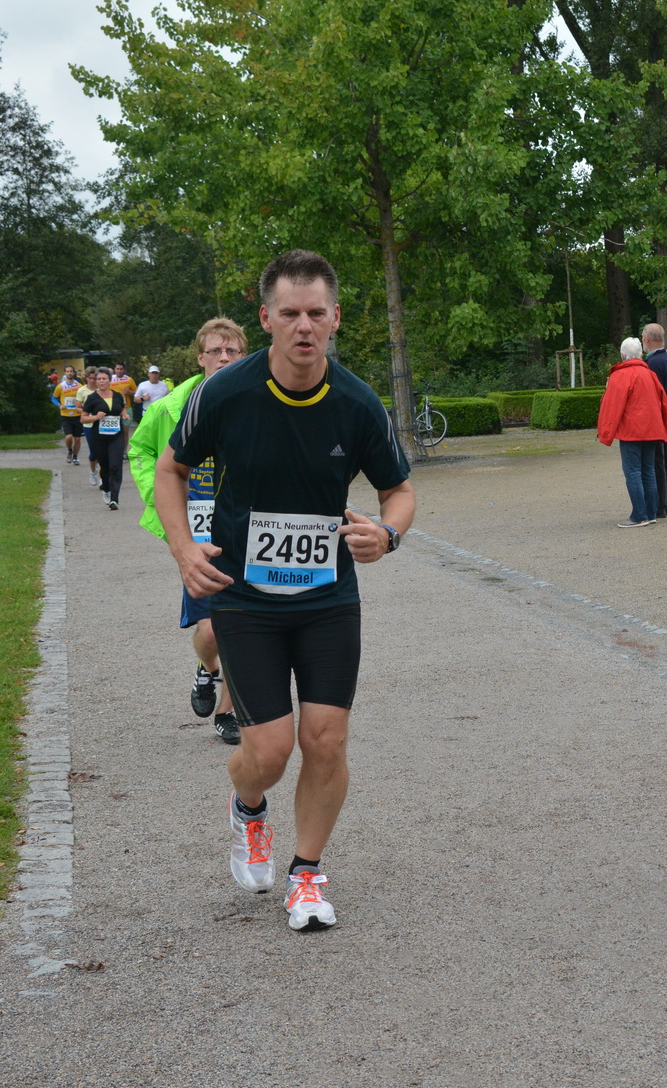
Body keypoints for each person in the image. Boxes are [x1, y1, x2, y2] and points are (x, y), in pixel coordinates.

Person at [156, 248, 414, 932]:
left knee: (325, 740)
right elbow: (170, 469)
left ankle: (307, 872)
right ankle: (247, 807)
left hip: (328, 596)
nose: (305, 326)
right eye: (290, 313)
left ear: (336, 318)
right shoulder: (226, 393)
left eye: (317, 313)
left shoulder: (358, 403)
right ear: (266, 318)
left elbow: (400, 490)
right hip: (245, 597)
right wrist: (184, 550)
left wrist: (387, 534)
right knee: (267, 753)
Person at [130, 318, 248, 745]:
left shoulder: (258, 401)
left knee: (244, 627)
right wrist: (161, 502)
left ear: (243, 355)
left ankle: (228, 712)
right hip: (194, 532)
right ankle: (208, 669)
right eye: (215, 351)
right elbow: (141, 450)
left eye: (232, 352)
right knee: (212, 631)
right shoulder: (170, 407)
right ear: (200, 358)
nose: (224, 358)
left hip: (245, 528)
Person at [596, 336, 667, 528]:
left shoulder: (619, 375)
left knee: (633, 471)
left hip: (631, 431)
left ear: (623, 355)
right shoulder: (650, 375)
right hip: (652, 429)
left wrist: (605, 432)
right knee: (648, 470)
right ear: (640, 354)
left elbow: (612, 406)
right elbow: (664, 404)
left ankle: (639, 515)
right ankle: (651, 511)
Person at [641, 322, 667, 516]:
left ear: (647, 339)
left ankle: (661, 506)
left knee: (658, 460)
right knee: (666, 459)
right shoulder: (666, 359)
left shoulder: (653, 362)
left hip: (658, 416)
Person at [80, 367, 130, 510]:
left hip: (116, 436)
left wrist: (124, 415)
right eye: (99, 379)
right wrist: (96, 417)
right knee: (105, 466)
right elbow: (83, 419)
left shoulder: (118, 395)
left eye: (104, 379)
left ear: (109, 380)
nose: (101, 381)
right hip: (100, 437)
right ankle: (106, 489)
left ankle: (114, 499)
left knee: (116, 465)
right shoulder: (92, 398)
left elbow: (121, 409)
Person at [53, 367, 85, 466]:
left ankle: (75, 457)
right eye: (68, 371)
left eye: (71, 372)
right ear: (65, 373)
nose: (70, 373)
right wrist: (59, 405)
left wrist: (82, 404)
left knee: (78, 439)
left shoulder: (79, 386)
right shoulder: (60, 386)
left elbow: (83, 397)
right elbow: (54, 398)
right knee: (68, 437)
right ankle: (70, 450)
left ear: (74, 373)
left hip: (77, 415)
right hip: (65, 415)